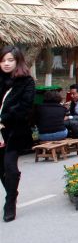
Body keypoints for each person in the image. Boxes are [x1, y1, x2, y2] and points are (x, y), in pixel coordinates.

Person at [1, 46, 35, 223]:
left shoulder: (26, 82)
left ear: (18, 61)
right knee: (2, 171)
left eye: (10, 60)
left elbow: (25, 107)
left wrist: (4, 119)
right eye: (3, 60)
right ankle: (11, 191)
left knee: (10, 168)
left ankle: (10, 202)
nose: (6, 64)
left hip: (14, 132)